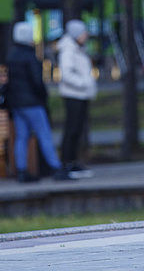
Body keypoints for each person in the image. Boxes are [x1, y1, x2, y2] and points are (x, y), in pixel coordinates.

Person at [7, 21, 72, 182]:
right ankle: (55, 167)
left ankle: (21, 171)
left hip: (17, 104)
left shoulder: (12, 56)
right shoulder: (30, 56)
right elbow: (37, 81)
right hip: (32, 103)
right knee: (44, 134)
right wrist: (43, 97)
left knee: (21, 137)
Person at [56, 19, 97, 179]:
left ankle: (73, 161)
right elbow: (66, 74)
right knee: (72, 129)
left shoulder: (78, 49)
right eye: (83, 32)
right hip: (73, 94)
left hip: (81, 94)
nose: (86, 35)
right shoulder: (68, 51)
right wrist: (84, 83)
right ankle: (67, 162)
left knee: (77, 129)